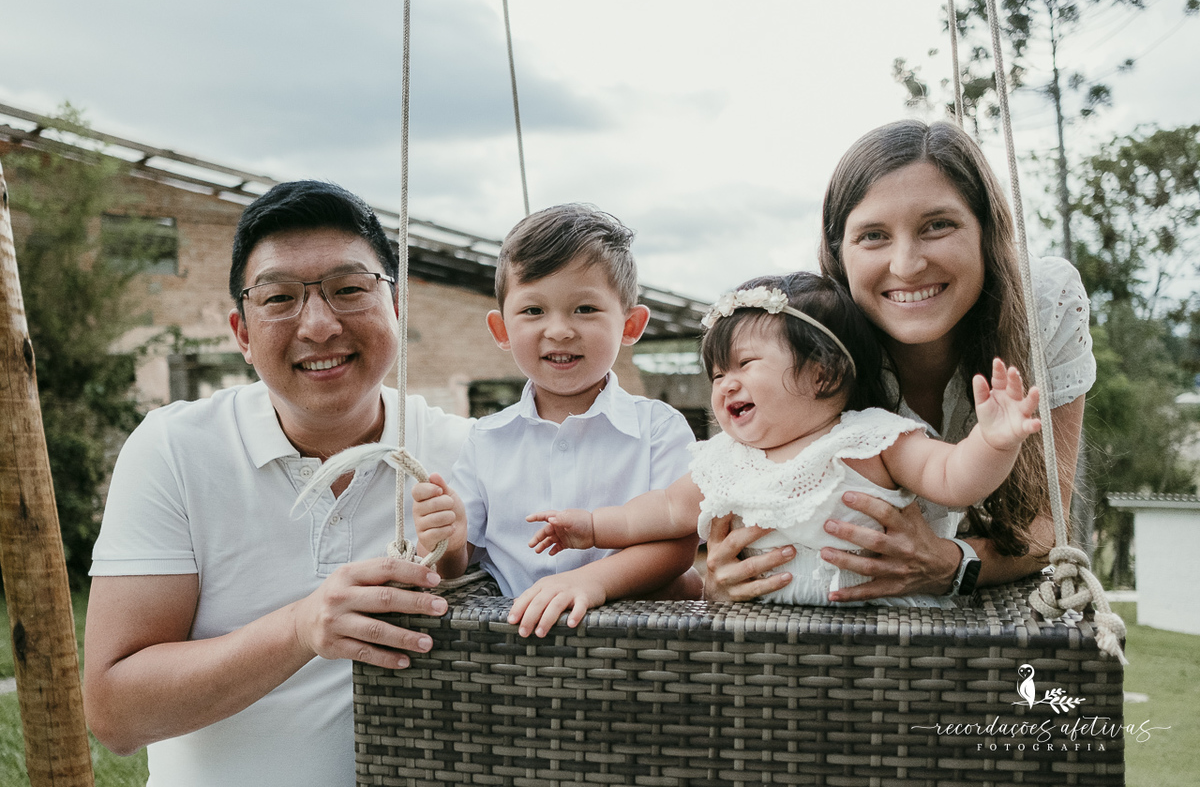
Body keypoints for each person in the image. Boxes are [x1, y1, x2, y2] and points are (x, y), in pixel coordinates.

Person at [83, 181, 472, 787]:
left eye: (348, 290)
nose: (319, 326)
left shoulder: (464, 450)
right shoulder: (174, 450)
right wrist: (302, 627)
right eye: (280, 298)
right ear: (241, 332)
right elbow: (115, 713)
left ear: (395, 307)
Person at [703, 119, 1096, 604]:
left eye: (938, 225)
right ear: (838, 252)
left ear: (985, 232)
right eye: (873, 236)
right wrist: (720, 572)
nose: (907, 265)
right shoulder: (810, 350)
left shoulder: (1043, 305)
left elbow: (1047, 524)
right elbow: (707, 507)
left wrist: (951, 565)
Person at [528, 272, 1042, 605]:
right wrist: (592, 527)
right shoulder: (726, 460)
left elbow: (953, 478)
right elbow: (665, 509)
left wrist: (994, 442)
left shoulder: (871, 441)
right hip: (767, 646)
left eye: (745, 364)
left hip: (888, 635)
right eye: (717, 375)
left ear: (823, 375)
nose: (725, 384)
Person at [412, 203, 699, 638]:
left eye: (585, 309)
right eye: (533, 311)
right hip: (512, 644)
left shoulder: (659, 429)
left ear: (631, 324)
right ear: (501, 330)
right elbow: (457, 566)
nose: (560, 330)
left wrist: (588, 582)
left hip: (633, 646)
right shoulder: (485, 439)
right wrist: (447, 540)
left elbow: (679, 546)